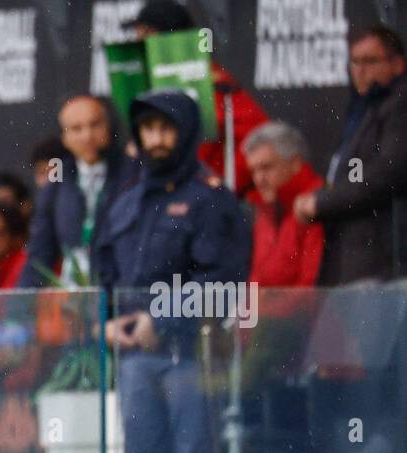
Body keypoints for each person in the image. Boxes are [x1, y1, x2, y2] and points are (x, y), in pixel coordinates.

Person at [94, 88, 249, 453]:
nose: (156, 139)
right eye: (148, 129)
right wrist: (107, 318)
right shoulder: (123, 200)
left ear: (186, 133)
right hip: (134, 359)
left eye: (167, 128)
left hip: (192, 353)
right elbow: (105, 274)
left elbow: (223, 279)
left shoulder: (210, 198)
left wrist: (160, 320)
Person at [294, 26, 407, 284]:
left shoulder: (399, 105)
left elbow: (387, 172)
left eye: (369, 61)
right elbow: (356, 172)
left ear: (398, 64)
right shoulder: (364, 109)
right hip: (353, 257)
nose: (360, 69)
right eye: (355, 61)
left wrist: (322, 202)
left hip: (383, 261)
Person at [125, 0, 270, 196]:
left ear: (172, 38)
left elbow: (260, 139)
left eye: (147, 35)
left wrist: (222, 185)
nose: (140, 44)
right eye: (138, 36)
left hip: (205, 200)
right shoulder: (152, 87)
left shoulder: (211, 83)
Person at [19, 94, 137, 288]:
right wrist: (18, 312)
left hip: (123, 290)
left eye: (95, 125)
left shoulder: (135, 173)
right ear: (64, 138)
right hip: (75, 298)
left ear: (109, 127)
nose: (87, 136)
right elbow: (39, 255)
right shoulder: (56, 181)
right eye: (76, 129)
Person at [243, 122, 324, 287]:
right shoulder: (264, 207)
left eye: (266, 168)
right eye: (253, 171)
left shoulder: (316, 204)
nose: (259, 179)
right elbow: (258, 277)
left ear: (295, 163)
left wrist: (258, 308)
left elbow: (311, 288)